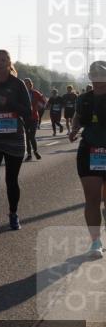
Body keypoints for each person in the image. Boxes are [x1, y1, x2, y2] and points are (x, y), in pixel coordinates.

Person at [0, 50, 32, 233]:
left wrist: (10, 103)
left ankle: (13, 214)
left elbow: (28, 111)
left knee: (11, 179)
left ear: (9, 63)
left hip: (14, 137)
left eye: (3, 60)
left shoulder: (18, 84)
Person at [68, 61, 106, 259]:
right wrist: (74, 129)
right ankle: (95, 242)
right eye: (94, 74)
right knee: (92, 199)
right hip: (89, 151)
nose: (98, 78)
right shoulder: (83, 99)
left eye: (102, 74)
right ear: (90, 76)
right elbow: (77, 116)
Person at [22, 78, 45, 161]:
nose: (26, 84)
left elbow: (43, 102)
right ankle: (29, 155)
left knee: (32, 136)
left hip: (34, 117)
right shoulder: (21, 93)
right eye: (25, 83)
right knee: (27, 137)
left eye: (27, 83)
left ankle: (35, 151)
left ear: (31, 84)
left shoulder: (35, 93)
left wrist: (39, 106)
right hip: (25, 118)